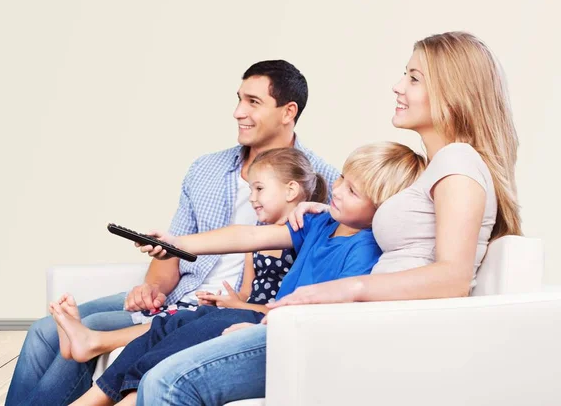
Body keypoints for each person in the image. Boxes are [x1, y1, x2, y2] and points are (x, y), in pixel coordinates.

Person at [133, 31, 522, 406]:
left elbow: (451, 277)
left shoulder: (457, 163)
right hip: (343, 325)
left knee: (169, 383)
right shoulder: (436, 167)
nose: (398, 86)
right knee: (165, 372)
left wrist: (338, 292)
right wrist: (332, 212)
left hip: (359, 330)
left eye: (414, 77)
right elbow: (261, 235)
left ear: (452, 94)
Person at [4, 60, 340, 406]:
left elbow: (313, 258)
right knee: (44, 331)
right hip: (181, 294)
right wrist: (151, 288)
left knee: (93, 327)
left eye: (253, 102)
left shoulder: (323, 183)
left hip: (232, 308)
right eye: (239, 99)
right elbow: (174, 252)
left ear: (288, 111)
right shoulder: (206, 169)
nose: (238, 112)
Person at [68, 141, 426, 406]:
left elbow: (321, 316)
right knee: (175, 323)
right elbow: (248, 235)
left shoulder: (364, 250)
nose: (337, 188)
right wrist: (180, 242)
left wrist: (257, 320)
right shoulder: (319, 222)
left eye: (352, 190)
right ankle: (94, 400)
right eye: (342, 178)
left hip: (285, 329)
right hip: (270, 317)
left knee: (218, 318)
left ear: (381, 206)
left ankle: (126, 398)